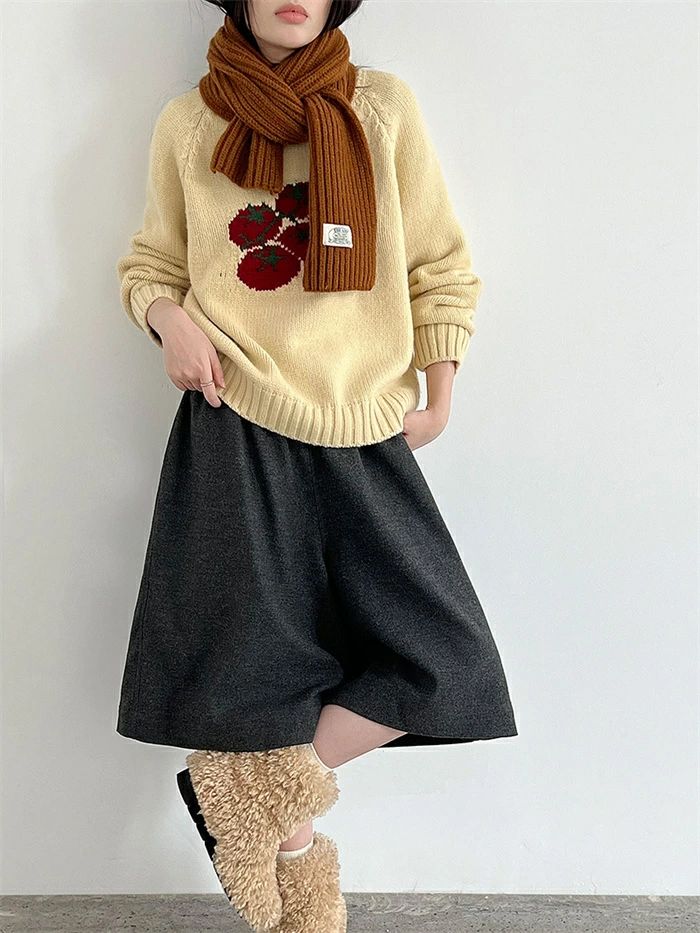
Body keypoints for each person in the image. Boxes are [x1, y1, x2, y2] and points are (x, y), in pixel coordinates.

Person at [114, 1, 518, 930]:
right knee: (263, 677)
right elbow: (150, 266)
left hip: (364, 421)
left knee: (446, 660)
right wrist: (170, 323)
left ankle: (234, 787)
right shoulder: (190, 122)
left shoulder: (381, 109)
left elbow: (438, 264)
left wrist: (440, 393)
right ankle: (297, 892)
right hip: (235, 420)